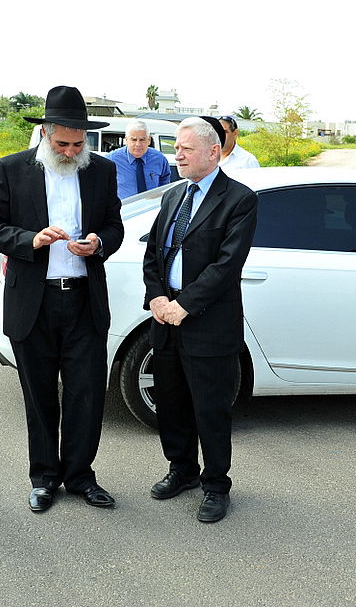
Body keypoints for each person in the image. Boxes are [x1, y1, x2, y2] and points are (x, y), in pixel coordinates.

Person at [0, 85, 124, 513]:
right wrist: (30, 239)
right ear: (44, 133)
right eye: (62, 143)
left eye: (78, 144)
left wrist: (98, 243)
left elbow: (115, 226)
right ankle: (43, 478)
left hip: (83, 300)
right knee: (39, 396)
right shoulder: (11, 170)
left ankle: (80, 476)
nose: (70, 150)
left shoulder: (101, 171)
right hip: (34, 302)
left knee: (87, 393)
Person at [142, 116, 258, 523]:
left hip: (207, 321)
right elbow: (154, 253)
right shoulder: (173, 196)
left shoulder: (239, 200)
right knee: (170, 403)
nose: (178, 154)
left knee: (209, 408)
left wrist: (184, 304)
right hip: (165, 316)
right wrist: (157, 296)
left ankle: (215, 485)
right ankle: (182, 470)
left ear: (214, 152)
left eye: (187, 149)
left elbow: (226, 266)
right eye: (177, 147)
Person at [108, 119, 171, 199]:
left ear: (149, 140)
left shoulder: (159, 159)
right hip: (123, 209)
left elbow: (165, 182)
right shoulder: (112, 160)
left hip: (152, 209)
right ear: (126, 140)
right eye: (133, 140)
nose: (138, 144)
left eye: (142, 140)